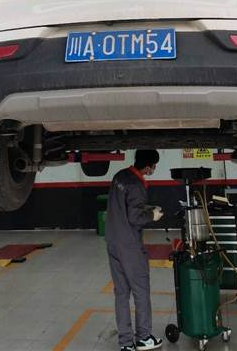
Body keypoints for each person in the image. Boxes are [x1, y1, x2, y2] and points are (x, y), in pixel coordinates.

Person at [105, 149, 164, 351]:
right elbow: (134, 217)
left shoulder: (120, 176)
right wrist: (152, 216)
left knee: (121, 293)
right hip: (129, 246)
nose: (153, 170)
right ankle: (144, 338)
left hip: (113, 241)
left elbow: (125, 207)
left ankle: (125, 343)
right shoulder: (137, 185)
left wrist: (147, 208)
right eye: (153, 167)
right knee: (141, 291)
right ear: (147, 167)